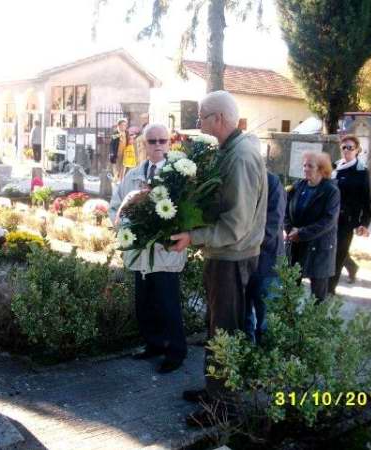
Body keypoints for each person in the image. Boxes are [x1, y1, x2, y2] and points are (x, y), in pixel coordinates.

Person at [170, 90, 268, 427]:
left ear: (219, 119)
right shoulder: (232, 149)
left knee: (225, 330)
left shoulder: (240, 157)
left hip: (231, 258)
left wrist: (193, 236)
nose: (199, 124)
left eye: (202, 117)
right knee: (217, 325)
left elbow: (235, 225)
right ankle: (215, 390)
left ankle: (224, 408)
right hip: (225, 257)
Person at [109, 123, 188, 374]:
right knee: (144, 305)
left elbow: (184, 214)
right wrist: (121, 224)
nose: (157, 146)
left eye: (162, 141)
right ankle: (153, 345)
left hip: (166, 253)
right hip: (140, 254)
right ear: (143, 145)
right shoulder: (132, 174)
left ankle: (175, 352)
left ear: (169, 143)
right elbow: (115, 205)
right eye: (151, 141)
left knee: (167, 305)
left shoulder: (178, 176)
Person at [285, 152, 340, 303]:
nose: (306, 169)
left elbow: (328, 221)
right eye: (304, 165)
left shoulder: (331, 191)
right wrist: (289, 229)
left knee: (317, 296)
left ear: (322, 169)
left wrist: (301, 233)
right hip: (296, 245)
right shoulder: (298, 186)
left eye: (310, 166)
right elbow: (286, 209)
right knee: (290, 291)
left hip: (319, 247)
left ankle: (315, 325)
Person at [328, 135, 371, 295]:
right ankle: (351, 267)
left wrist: (364, 223)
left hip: (346, 220)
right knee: (329, 250)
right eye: (344, 147)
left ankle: (329, 290)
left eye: (350, 148)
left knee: (338, 254)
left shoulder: (361, 172)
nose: (347, 150)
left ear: (357, 150)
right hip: (328, 218)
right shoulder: (333, 167)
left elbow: (367, 200)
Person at [245, 172, 286, 345]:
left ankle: (264, 359)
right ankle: (245, 352)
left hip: (267, 259)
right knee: (243, 312)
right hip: (243, 260)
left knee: (266, 315)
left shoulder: (271, 181)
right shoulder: (239, 176)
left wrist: (244, 243)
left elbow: (273, 222)